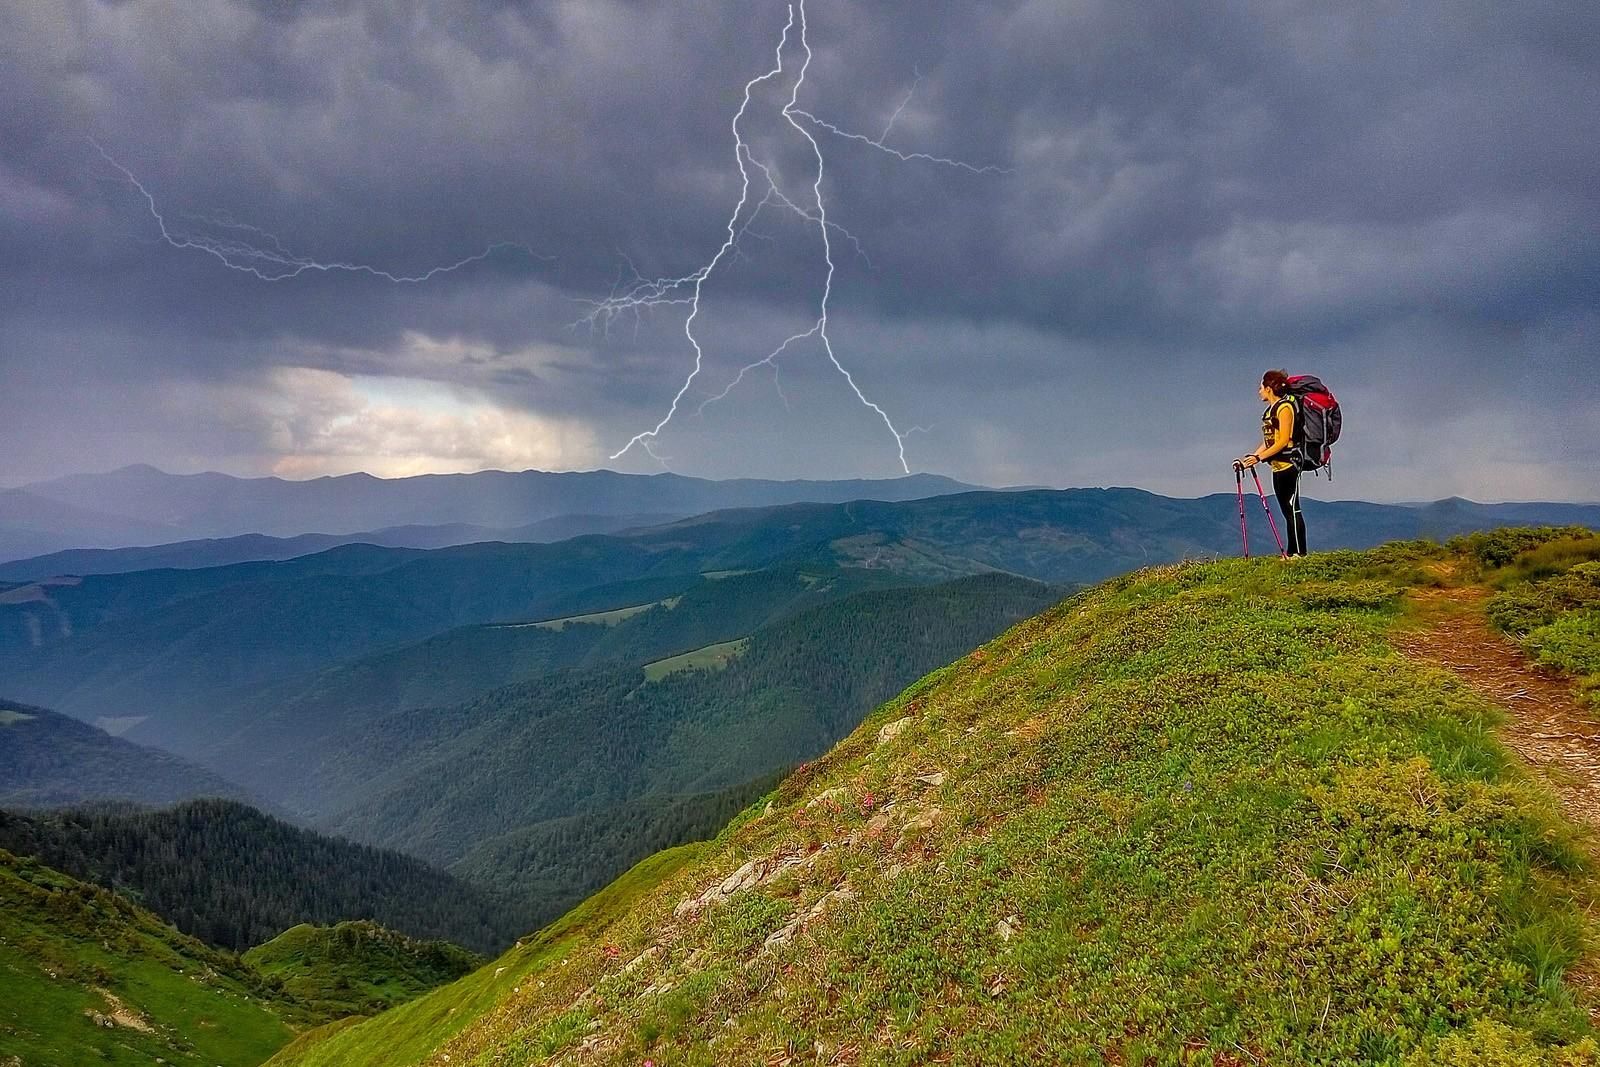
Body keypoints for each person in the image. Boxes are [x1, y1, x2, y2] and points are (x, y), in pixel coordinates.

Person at [1236, 369, 1307, 557]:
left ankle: (1299, 554)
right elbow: (1269, 442)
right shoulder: (1270, 411)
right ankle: (1293, 553)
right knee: (1286, 511)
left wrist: (1259, 458)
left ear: (1269, 388)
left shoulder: (1285, 408)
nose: (1259, 391)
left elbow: (1283, 440)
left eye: (1261, 387)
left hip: (1289, 465)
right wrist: (1250, 460)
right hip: (1277, 467)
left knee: (1292, 509)